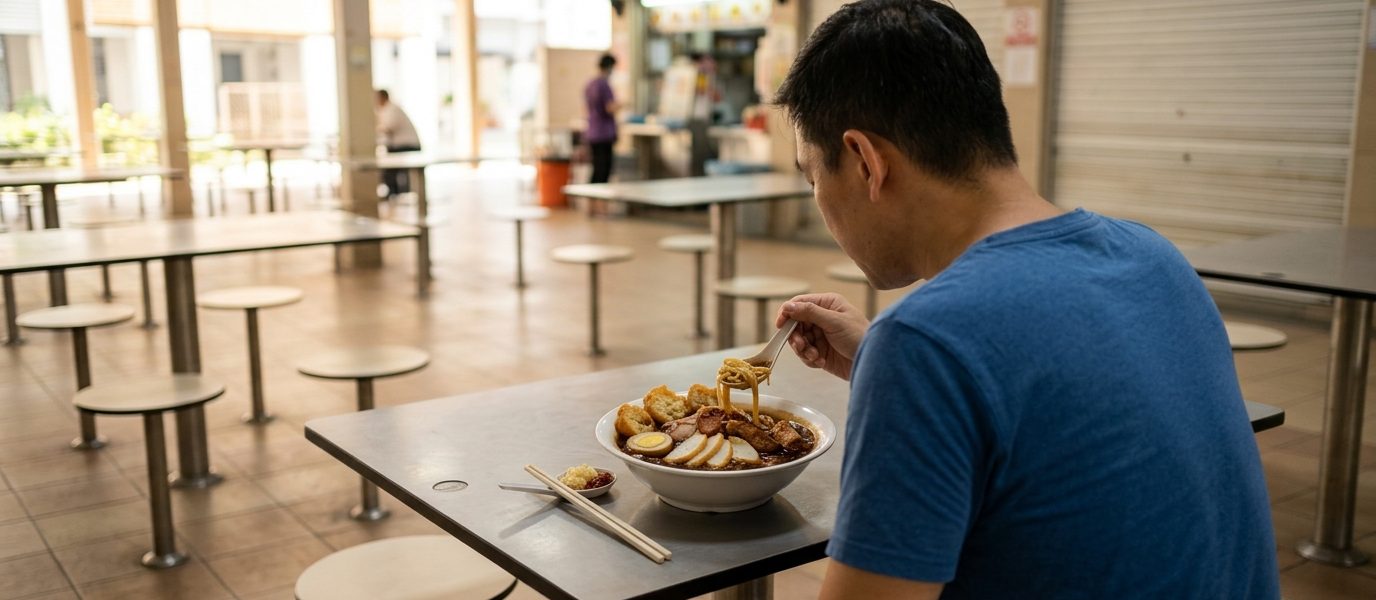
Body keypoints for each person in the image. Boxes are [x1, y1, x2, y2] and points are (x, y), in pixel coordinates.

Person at [772, 1, 1278, 598]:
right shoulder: (1153, 257)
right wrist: (879, 362)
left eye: (812, 177)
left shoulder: (925, 344)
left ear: (864, 161)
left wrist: (905, 359)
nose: (819, 202)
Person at [375, 89, 421, 199]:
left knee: (392, 170)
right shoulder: (385, 110)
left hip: (407, 145)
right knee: (389, 169)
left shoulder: (393, 109)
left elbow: (388, 128)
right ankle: (394, 192)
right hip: (398, 145)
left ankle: (397, 193)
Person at [584, 54, 621, 184]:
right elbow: (609, 107)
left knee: (597, 167)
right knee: (603, 169)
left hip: (593, 131)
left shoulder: (590, 84)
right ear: (610, 67)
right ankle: (598, 200)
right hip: (603, 133)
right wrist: (623, 104)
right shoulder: (603, 84)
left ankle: (592, 198)